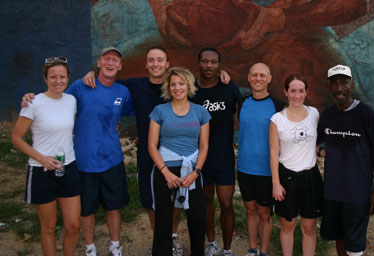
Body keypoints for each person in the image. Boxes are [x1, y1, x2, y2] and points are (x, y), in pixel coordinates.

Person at [81, 46, 230, 256]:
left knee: (185, 207)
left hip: (184, 161)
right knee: (155, 206)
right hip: (150, 157)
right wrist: (92, 75)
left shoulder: (186, 91)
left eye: (160, 60)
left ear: (167, 64)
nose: (155, 64)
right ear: (146, 64)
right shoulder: (136, 86)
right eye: (151, 60)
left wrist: (223, 75)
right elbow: (108, 81)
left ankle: (173, 238)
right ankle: (163, 242)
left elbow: (208, 84)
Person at [21, 47, 135, 256]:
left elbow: (128, 111)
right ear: (99, 62)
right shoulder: (80, 87)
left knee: (114, 207)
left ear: (120, 66)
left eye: (115, 60)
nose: (111, 63)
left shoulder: (123, 92)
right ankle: (90, 248)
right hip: (83, 161)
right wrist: (31, 98)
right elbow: (55, 97)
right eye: (107, 59)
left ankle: (115, 246)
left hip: (112, 159)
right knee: (86, 210)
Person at [317, 64, 374, 256]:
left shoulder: (367, 115)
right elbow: (316, 142)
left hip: (357, 193)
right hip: (332, 192)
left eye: (344, 83)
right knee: (339, 237)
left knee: (355, 245)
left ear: (351, 85)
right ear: (330, 86)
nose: (339, 88)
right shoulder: (328, 116)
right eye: (335, 84)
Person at [12, 56, 81, 256]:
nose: (58, 81)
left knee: (74, 225)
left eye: (62, 77)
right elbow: (16, 138)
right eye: (53, 77)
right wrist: (42, 158)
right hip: (41, 170)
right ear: (45, 79)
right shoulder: (33, 103)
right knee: (49, 228)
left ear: (68, 78)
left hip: (67, 167)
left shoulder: (71, 101)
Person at [148, 67, 211, 256]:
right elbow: (152, 145)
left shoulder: (200, 112)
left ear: (189, 85)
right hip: (165, 169)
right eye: (173, 84)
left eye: (181, 83)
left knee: (198, 218)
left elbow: (204, 146)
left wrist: (195, 172)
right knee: (164, 219)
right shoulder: (159, 111)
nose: (177, 88)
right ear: (168, 87)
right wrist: (166, 172)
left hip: (191, 170)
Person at [190, 48, 242, 256]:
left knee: (227, 203)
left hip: (224, 157)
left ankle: (227, 249)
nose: (209, 66)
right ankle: (211, 243)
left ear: (219, 65)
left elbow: (247, 106)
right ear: (199, 63)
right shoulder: (191, 90)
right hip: (200, 158)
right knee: (206, 202)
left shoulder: (228, 87)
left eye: (213, 62)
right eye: (205, 61)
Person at [269, 74, 323, 256]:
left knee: (309, 227)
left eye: (301, 91)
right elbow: (273, 153)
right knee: (287, 225)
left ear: (307, 92)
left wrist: (318, 151)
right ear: (286, 92)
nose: (297, 95)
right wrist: (276, 183)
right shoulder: (277, 119)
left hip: (310, 177)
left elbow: (316, 141)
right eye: (293, 91)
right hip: (287, 177)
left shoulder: (314, 114)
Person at [236, 63, 284, 256]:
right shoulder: (242, 103)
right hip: (244, 168)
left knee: (264, 213)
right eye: (254, 75)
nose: (258, 78)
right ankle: (252, 248)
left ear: (269, 79)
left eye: (262, 75)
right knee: (250, 211)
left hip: (267, 170)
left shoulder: (278, 105)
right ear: (249, 78)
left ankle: (263, 251)